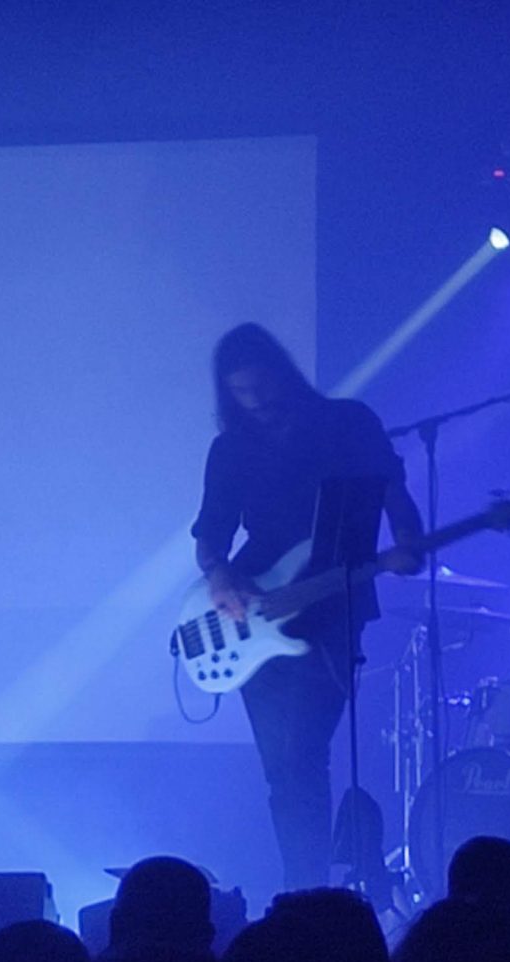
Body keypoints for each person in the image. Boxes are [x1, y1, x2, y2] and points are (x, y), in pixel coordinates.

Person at [190, 323, 422, 892]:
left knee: (304, 756)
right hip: (255, 615)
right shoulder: (231, 449)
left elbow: (392, 490)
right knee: (284, 770)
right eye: (242, 393)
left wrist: (407, 539)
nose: (256, 401)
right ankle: (303, 887)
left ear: (282, 372)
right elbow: (210, 535)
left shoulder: (348, 423)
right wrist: (219, 575)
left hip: (333, 610)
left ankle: (308, 893)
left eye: (262, 386)